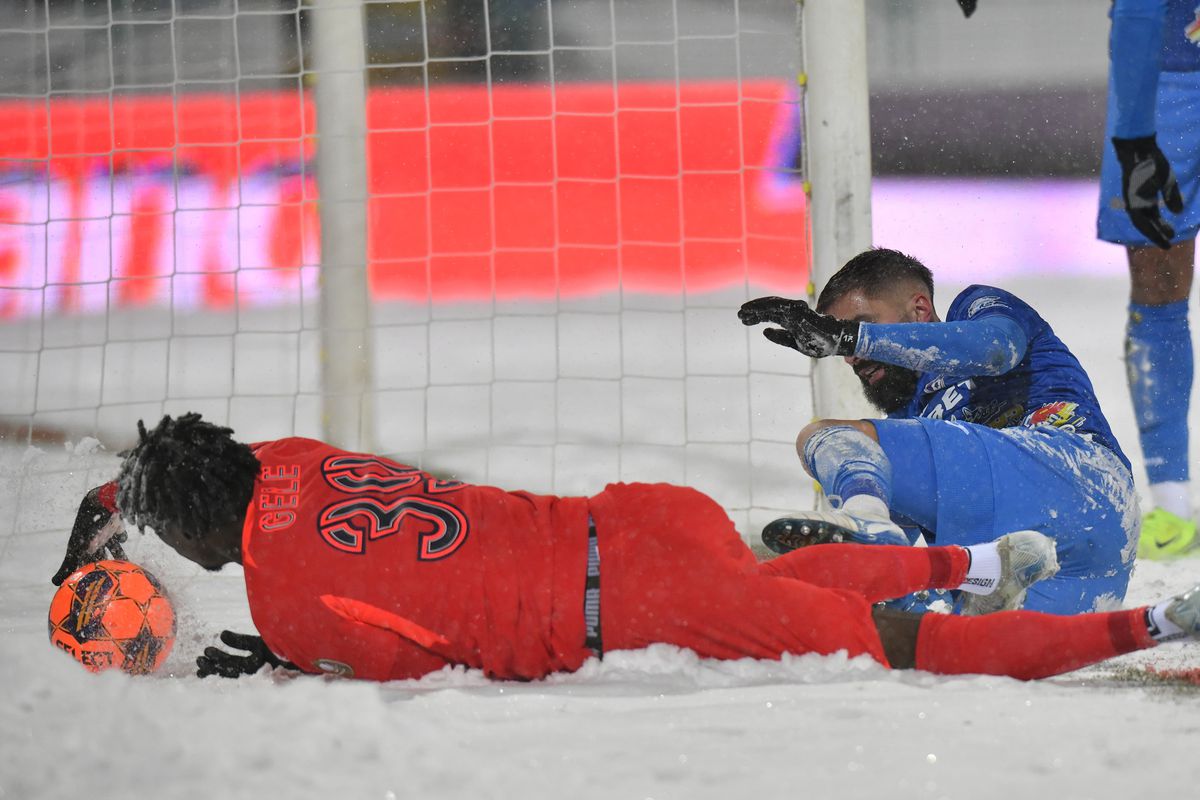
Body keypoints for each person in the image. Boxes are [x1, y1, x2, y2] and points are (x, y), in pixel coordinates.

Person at [49, 412, 1200, 683]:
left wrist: (285, 657)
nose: (170, 556)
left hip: (631, 605)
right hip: (637, 515)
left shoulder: (288, 602)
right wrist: (104, 504)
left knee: (886, 648)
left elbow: (416, 658)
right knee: (761, 573)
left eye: (162, 536)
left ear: (202, 527)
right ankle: (976, 563)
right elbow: (201, 460)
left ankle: (1148, 622)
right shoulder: (287, 452)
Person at [738, 247, 1139, 616]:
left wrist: (850, 336)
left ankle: (866, 521)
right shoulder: (914, 424)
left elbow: (995, 349)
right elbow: (896, 551)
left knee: (822, 436)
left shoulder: (975, 309)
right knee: (884, 622)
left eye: (861, 326)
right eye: (841, 345)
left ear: (920, 308)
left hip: (1076, 476)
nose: (850, 356)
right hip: (1072, 575)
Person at [1097, 0, 1200, 559]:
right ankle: (1173, 502)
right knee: (1159, 279)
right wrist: (1136, 133)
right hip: (1166, 74)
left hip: (1162, 68)